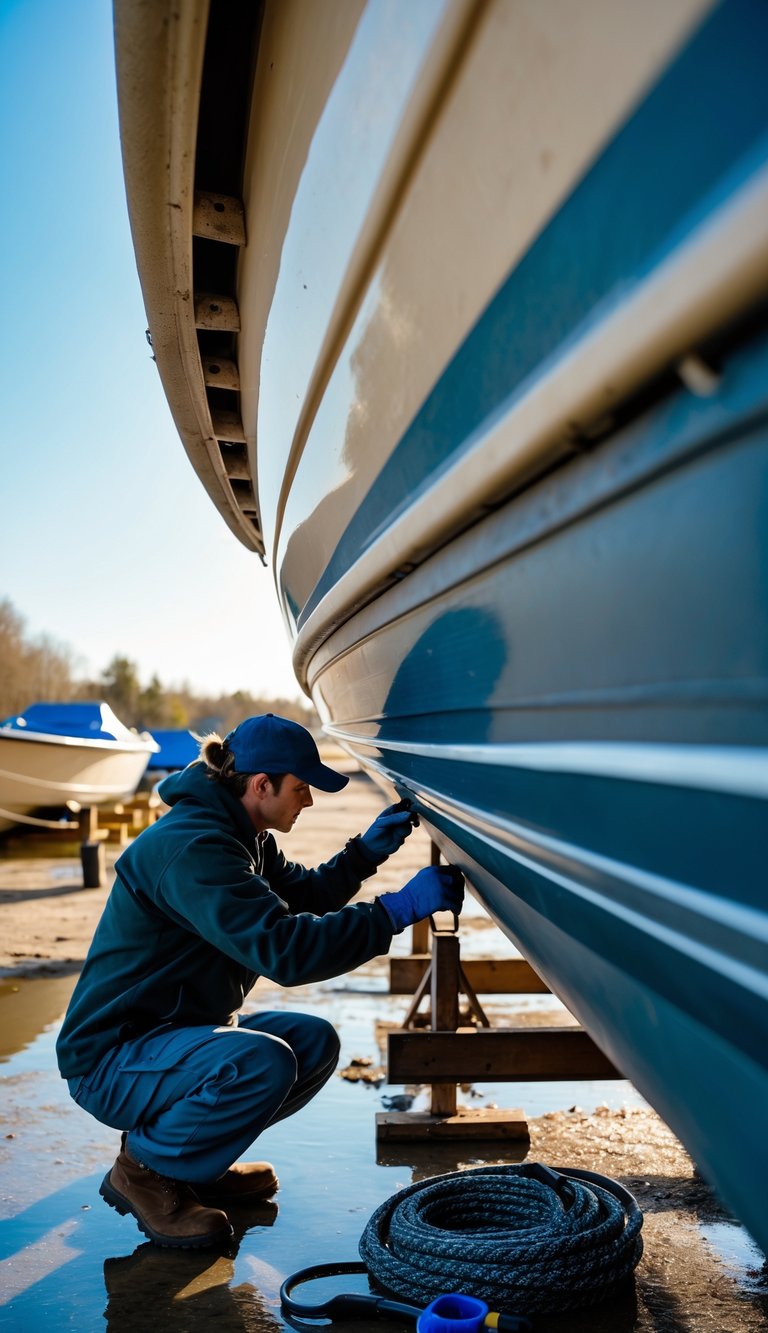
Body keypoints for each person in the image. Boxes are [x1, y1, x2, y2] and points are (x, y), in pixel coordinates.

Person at [56, 713, 464, 1249]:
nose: (310, 801)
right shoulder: (194, 848)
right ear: (261, 785)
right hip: (113, 1059)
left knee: (313, 1043)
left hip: (168, 1036)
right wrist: (394, 911)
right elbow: (286, 951)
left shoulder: (241, 835)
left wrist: (364, 854)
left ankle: (193, 1164)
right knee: (262, 1061)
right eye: (302, 789)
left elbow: (304, 897)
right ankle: (146, 1172)